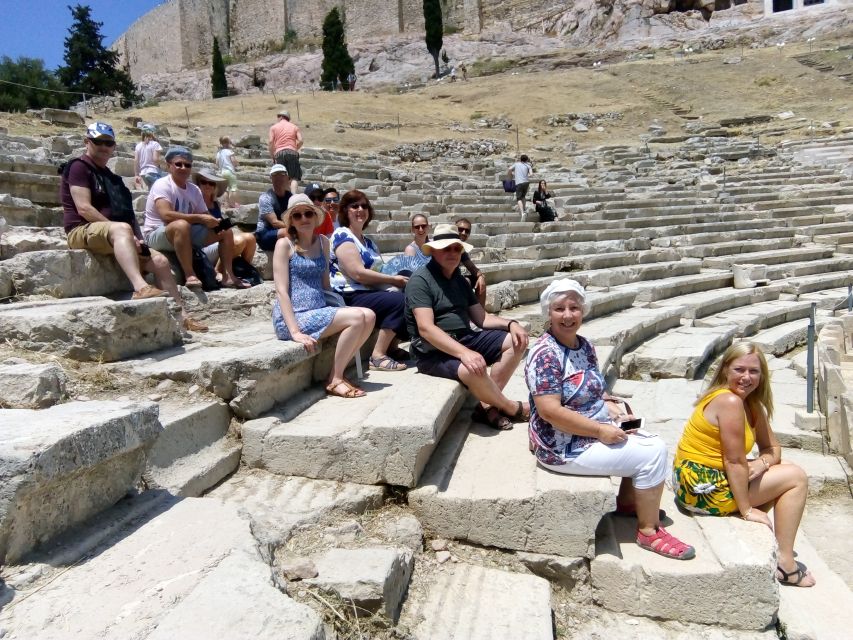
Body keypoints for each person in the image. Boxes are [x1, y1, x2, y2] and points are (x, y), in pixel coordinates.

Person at [525, 278, 694, 560]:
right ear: (548, 313)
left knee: (646, 436)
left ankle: (629, 503)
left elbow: (595, 389)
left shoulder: (585, 346)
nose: (567, 315)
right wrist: (600, 430)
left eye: (574, 308)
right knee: (654, 454)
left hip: (585, 429)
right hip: (561, 446)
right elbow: (549, 411)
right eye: (559, 309)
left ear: (583, 310)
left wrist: (612, 405)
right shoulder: (545, 354)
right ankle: (649, 532)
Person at [673, 342, 814, 585]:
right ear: (725, 369)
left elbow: (773, 449)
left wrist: (761, 463)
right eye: (739, 369)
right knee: (796, 478)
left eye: (754, 371)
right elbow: (734, 460)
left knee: (785, 469)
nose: (746, 377)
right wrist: (747, 510)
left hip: (700, 478)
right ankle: (786, 564)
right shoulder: (729, 402)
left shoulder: (751, 404)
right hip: (700, 487)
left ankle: (782, 553)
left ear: (762, 376)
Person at [62, 122, 206, 332]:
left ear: (113, 146)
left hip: (115, 233)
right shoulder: (78, 167)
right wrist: (125, 232)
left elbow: (129, 217)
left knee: (160, 260)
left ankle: (181, 316)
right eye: (98, 141)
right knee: (121, 229)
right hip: (82, 230)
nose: (104, 146)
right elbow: (84, 208)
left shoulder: (115, 180)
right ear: (87, 142)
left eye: (108, 143)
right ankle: (140, 288)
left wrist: (138, 239)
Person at [406, 224, 529, 431]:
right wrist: (464, 353)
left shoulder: (460, 281)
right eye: (446, 248)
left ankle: (487, 407)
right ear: (434, 250)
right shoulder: (420, 280)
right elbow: (426, 328)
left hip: (465, 337)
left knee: (516, 341)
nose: (453, 253)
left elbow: (481, 318)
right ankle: (510, 407)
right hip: (432, 351)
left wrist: (512, 324)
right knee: (473, 369)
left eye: (457, 248)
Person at [272, 194, 375, 399]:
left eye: (308, 213)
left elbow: (326, 285)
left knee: (369, 315)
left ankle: (339, 373)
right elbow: (281, 290)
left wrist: (340, 307)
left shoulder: (323, 243)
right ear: (291, 221)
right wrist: (294, 331)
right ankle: (335, 379)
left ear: (315, 216)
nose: (304, 218)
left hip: (319, 308)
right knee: (356, 318)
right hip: (294, 316)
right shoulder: (284, 245)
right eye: (298, 215)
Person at [142, 146, 248, 290]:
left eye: (187, 165)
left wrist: (216, 223)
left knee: (225, 231)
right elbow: (166, 215)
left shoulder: (194, 189)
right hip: (157, 233)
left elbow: (205, 214)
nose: (183, 168)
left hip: (184, 232)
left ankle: (227, 276)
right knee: (181, 225)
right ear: (169, 166)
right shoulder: (162, 184)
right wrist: (200, 218)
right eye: (178, 164)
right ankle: (189, 274)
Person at [330, 190, 409, 372]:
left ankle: (392, 346)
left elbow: (381, 271)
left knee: (413, 291)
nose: (360, 209)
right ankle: (377, 356)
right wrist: (393, 280)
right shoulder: (343, 235)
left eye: (364, 206)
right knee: (399, 300)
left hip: (369, 291)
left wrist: (402, 277)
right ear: (345, 211)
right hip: (349, 294)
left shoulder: (369, 242)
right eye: (354, 206)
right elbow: (357, 273)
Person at [193, 168, 256, 279]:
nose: (207, 185)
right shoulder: (194, 202)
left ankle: (243, 269)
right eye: (204, 182)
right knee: (239, 241)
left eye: (211, 183)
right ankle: (218, 272)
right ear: (198, 184)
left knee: (250, 238)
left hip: (218, 239)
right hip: (204, 244)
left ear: (215, 186)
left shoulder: (215, 203)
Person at [255, 164, 293, 251]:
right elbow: (274, 223)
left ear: (288, 177)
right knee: (287, 232)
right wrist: (295, 227)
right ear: (271, 178)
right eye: (275, 175)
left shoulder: (291, 197)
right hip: (265, 233)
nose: (279, 177)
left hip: (285, 230)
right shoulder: (265, 198)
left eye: (282, 174)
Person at [268, 109, 303, 194]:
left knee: (283, 177)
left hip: (279, 153)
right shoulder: (294, 127)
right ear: (288, 118)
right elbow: (301, 140)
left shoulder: (273, 127)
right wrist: (295, 148)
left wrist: (272, 155)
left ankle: (285, 198)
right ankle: (293, 196)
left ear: (280, 117)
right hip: (292, 152)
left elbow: (270, 142)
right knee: (294, 177)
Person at [454, 218, 487, 308]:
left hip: (455, 278)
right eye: (460, 229)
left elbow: (471, 267)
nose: (464, 233)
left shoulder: (461, 249)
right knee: (466, 282)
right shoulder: (448, 245)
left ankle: (481, 315)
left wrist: (480, 276)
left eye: (467, 231)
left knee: (479, 280)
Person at [133, 124, 163, 189]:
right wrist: (165, 163)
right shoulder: (155, 144)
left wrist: (136, 175)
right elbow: (155, 160)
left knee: (148, 192)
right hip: (153, 171)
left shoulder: (138, 146)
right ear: (152, 133)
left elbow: (136, 161)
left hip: (142, 173)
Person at [215, 136, 239, 208]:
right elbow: (233, 161)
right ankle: (233, 203)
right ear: (228, 143)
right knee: (233, 188)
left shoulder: (219, 153)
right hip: (230, 171)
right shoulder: (230, 152)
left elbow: (216, 163)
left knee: (225, 189)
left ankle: (226, 204)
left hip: (222, 172)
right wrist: (236, 165)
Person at [508, 154, 533, 218]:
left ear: (520, 159)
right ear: (527, 160)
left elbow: (509, 169)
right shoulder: (528, 165)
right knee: (523, 196)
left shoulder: (516, 164)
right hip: (526, 182)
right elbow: (531, 174)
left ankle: (522, 213)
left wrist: (510, 176)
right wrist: (526, 176)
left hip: (519, 183)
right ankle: (524, 210)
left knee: (519, 198)